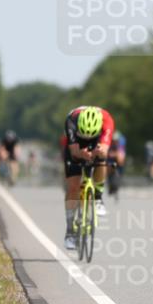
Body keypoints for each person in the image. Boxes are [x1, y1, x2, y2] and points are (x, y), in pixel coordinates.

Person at [62, 105, 115, 250]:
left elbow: (104, 150)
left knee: (102, 160)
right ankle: (70, 232)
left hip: (97, 142)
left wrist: (99, 153)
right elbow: (73, 151)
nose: (87, 137)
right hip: (76, 146)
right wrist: (82, 154)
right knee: (73, 187)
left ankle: (97, 197)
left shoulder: (107, 121)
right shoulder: (71, 121)